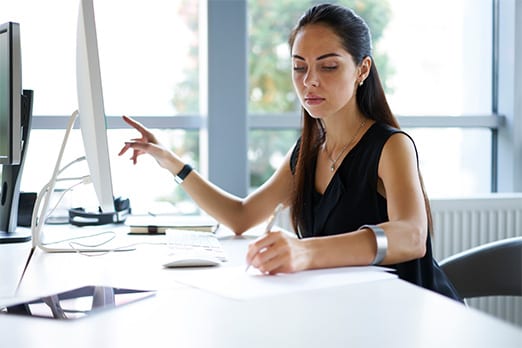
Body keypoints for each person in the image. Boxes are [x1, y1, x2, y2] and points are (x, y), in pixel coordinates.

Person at [119, 3, 462, 301]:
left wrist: (304, 251)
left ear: (363, 69)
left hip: (411, 314)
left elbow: (412, 237)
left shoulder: (391, 145)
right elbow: (241, 216)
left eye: (328, 66)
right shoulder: (309, 151)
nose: (309, 81)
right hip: (350, 310)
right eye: (299, 67)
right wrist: (171, 162)